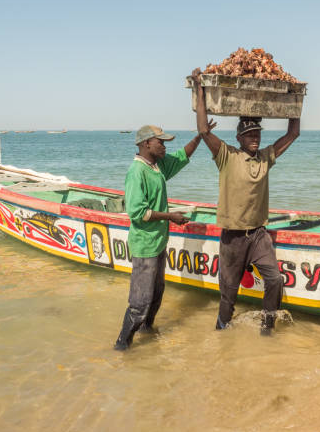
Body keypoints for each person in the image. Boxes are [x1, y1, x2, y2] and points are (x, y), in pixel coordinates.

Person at [191, 67, 301, 335]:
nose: (256, 138)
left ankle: (267, 327)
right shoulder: (227, 156)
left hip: (259, 235)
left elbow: (293, 134)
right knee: (228, 292)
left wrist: (297, 98)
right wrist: (200, 88)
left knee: (274, 279)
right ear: (239, 138)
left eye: (258, 134)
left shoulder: (265, 158)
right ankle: (222, 331)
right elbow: (204, 131)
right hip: (233, 238)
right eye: (250, 135)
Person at [114, 125, 202, 351]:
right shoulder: (137, 172)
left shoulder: (157, 166)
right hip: (145, 245)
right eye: (160, 142)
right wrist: (171, 216)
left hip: (159, 241)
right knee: (139, 302)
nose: (164, 146)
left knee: (157, 293)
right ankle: (122, 345)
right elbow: (138, 212)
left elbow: (182, 156)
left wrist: (201, 135)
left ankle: (148, 334)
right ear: (146, 144)